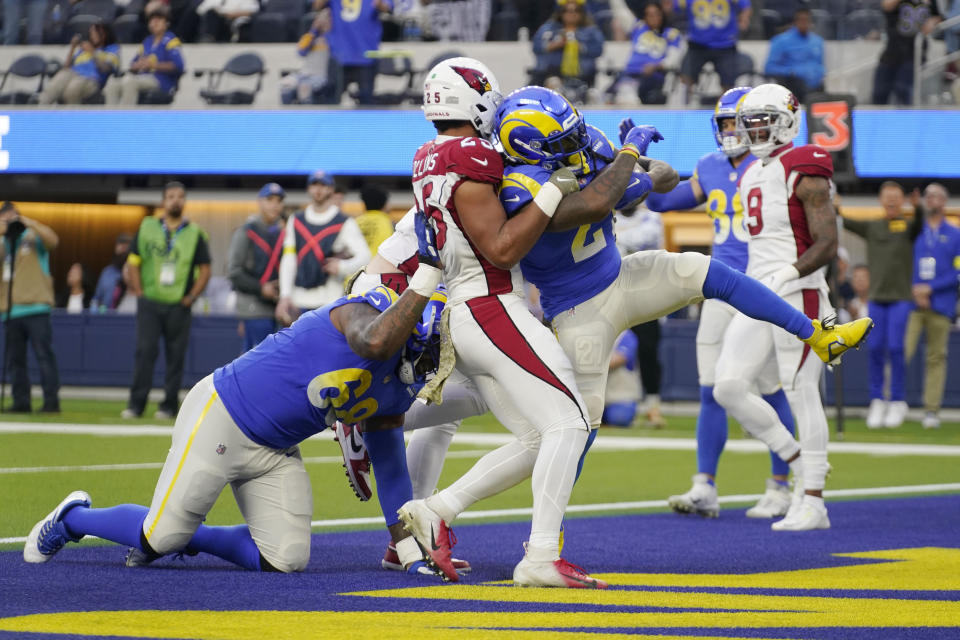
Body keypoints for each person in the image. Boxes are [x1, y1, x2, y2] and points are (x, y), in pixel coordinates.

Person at [22, 243, 450, 576]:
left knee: (285, 559)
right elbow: (374, 342)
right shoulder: (362, 309)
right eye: (431, 351)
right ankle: (72, 519)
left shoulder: (400, 389)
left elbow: (391, 467)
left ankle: (194, 538)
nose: (433, 364)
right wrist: (426, 280)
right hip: (224, 416)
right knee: (161, 534)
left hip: (275, 450)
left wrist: (409, 550)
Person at [396, 57, 615, 589]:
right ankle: (540, 557)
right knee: (573, 421)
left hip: (473, 309)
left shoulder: (431, 155)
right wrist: (557, 183)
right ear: (472, 98)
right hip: (491, 305)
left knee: (542, 436)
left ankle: (435, 509)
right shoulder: (468, 152)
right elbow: (501, 246)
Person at [712, 83, 874, 532]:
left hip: (797, 290)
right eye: (751, 122)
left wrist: (785, 276)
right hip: (758, 292)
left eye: (764, 120)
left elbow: (827, 243)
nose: (757, 129)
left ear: (786, 119)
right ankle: (798, 462)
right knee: (728, 386)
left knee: (801, 390)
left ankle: (814, 501)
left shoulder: (805, 165)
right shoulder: (749, 172)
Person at [647, 87, 797, 519]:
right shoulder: (710, 166)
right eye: (726, 123)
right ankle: (705, 485)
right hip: (719, 286)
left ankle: (781, 484)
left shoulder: (773, 165)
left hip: (765, 284)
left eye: (739, 121)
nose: (732, 130)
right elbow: (661, 202)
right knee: (711, 387)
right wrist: (635, 164)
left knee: (769, 387)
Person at [122, 182, 211, 420]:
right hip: (149, 302)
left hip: (179, 304)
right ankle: (136, 404)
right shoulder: (147, 227)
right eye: (171, 196)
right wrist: (139, 292)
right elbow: (133, 261)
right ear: (163, 201)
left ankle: (169, 405)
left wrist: (191, 296)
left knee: (176, 357)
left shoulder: (194, 233)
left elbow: (205, 269)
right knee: (144, 352)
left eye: (180, 196)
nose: (176, 201)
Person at [842, 181, 922, 429]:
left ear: (902, 201)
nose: (891, 201)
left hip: (900, 299)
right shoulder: (872, 227)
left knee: (897, 348)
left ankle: (897, 400)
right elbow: (844, 221)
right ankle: (877, 399)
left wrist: (917, 209)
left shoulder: (908, 226)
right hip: (876, 299)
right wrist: (832, 204)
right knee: (875, 348)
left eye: (896, 197)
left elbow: (919, 225)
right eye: (887, 197)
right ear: (880, 200)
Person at [275, 171, 371, 325]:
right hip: (298, 301)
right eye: (314, 185)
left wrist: (342, 267)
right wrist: (284, 295)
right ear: (308, 189)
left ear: (331, 189)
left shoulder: (344, 222)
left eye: (323, 185)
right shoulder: (296, 220)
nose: (318, 189)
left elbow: (365, 256)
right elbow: (289, 259)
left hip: (329, 301)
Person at [905, 183, 960, 430]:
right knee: (900, 350)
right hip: (912, 302)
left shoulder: (955, 234)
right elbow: (903, 262)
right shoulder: (916, 230)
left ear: (945, 202)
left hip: (941, 303)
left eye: (938, 196)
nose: (933, 200)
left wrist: (931, 288)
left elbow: (958, 270)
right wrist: (916, 289)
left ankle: (931, 410)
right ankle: (891, 400)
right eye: (929, 196)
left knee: (936, 357)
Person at [0, 202, 60, 414]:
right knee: (15, 360)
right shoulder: (4, 244)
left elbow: (53, 240)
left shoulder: (33, 238)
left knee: (44, 356)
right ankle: (20, 402)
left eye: (12, 217)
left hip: (37, 308)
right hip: (10, 310)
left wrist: (26, 222)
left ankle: (51, 402)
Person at [227, 183, 286, 353]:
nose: (275, 205)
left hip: (279, 307)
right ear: (260, 202)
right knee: (256, 362)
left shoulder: (285, 232)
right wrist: (261, 289)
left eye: (279, 200)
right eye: (270, 200)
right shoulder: (246, 232)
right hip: (254, 307)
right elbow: (234, 272)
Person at [666, 0, 751, 99]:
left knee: (728, 82)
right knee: (686, 76)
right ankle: (686, 105)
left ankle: (726, 107)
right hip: (697, 43)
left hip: (725, 43)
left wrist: (744, 18)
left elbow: (745, 5)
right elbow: (671, 7)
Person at [314, 0, 393, 105]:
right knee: (331, 101)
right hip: (339, 55)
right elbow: (317, 6)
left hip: (366, 55)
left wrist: (380, 5)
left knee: (366, 101)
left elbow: (388, 8)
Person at [606, 1, 682, 105]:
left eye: (657, 14)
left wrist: (656, 66)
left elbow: (673, 59)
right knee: (606, 96)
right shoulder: (639, 27)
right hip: (629, 73)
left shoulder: (671, 34)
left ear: (662, 15)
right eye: (650, 15)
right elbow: (620, 11)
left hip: (653, 76)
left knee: (630, 93)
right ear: (645, 17)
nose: (654, 18)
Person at [105, 7, 185, 106]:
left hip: (161, 81)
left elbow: (178, 65)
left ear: (166, 24)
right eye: (152, 21)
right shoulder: (147, 41)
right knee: (113, 84)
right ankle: (110, 119)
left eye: (158, 20)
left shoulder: (171, 40)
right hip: (143, 77)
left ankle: (126, 118)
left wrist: (153, 65)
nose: (154, 23)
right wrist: (138, 65)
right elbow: (133, 64)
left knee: (129, 82)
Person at [531, 0, 605, 99]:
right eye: (567, 10)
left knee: (593, 95)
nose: (572, 14)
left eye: (576, 10)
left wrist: (579, 46)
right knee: (553, 84)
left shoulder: (591, 31)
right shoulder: (548, 28)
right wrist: (556, 44)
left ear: (582, 12)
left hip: (583, 75)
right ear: (560, 12)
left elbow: (598, 50)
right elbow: (536, 47)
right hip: (552, 73)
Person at [872, 0, 941, 105]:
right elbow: (886, 5)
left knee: (903, 91)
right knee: (879, 92)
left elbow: (938, 16)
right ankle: (876, 120)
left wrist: (933, 21)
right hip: (892, 49)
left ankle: (905, 119)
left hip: (915, 51)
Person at [38, 24, 120, 105]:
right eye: (91, 33)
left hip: (92, 79)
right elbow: (66, 67)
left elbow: (106, 69)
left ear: (105, 34)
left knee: (72, 88)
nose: (93, 36)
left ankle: (73, 116)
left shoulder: (112, 48)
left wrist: (93, 52)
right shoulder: (84, 49)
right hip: (73, 74)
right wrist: (72, 48)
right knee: (57, 81)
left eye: (96, 32)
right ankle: (39, 111)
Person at [763, 7, 824, 103]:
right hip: (793, 84)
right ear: (795, 22)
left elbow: (820, 64)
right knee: (797, 84)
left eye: (807, 20)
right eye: (801, 20)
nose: (804, 23)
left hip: (815, 86)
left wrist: (819, 72)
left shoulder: (817, 41)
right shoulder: (781, 41)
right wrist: (791, 72)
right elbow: (769, 68)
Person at [280, 10, 333, 105]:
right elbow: (301, 52)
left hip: (321, 75)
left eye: (326, 18)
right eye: (320, 18)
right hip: (304, 74)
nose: (323, 21)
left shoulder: (334, 38)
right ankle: (286, 116)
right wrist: (314, 31)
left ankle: (307, 116)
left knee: (304, 87)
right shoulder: (309, 37)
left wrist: (327, 31)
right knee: (286, 84)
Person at [601, 330, 641, 427]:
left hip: (619, 397)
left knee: (619, 419)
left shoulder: (626, 335)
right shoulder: (590, 333)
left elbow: (617, 360)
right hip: (594, 397)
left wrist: (587, 364)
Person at [92, 233, 132, 312]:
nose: (123, 247)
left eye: (127, 244)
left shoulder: (138, 271)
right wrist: (99, 314)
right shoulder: (107, 272)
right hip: (107, 319)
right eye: (120, 243)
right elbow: (96, 300)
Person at [356, 184, 395, 255]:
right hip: (380, 264)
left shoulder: (355, 223)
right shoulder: (391, 225)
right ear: (385, 204)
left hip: (357, 265)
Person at [195, 0, 259, 42]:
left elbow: (251, 11)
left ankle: (209, 37)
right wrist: (216, 11)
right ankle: (208, 38)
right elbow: (200, 10)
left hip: (231, 21)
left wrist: (227, 14)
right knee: (211, 13)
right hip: (214, 21)